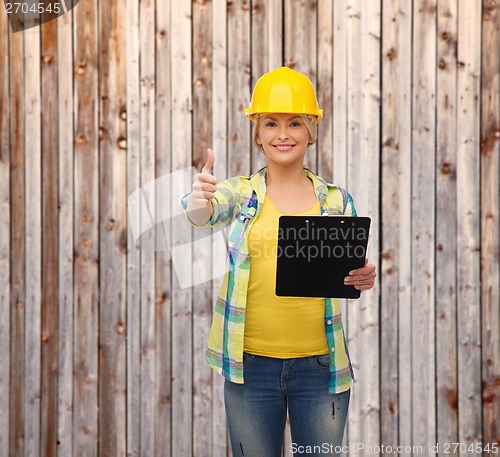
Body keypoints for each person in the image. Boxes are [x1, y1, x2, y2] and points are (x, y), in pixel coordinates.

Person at [182, 67, 376, 457]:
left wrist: (363, 275)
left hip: (319, 369)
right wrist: (199, 200)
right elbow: (204, 213)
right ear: (258, 133)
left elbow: (350, 267)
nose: (282, 133)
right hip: (250, 368)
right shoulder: (239, 193)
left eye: (294, 123)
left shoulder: (336, 202)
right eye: (271, 123)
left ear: (311, 132)